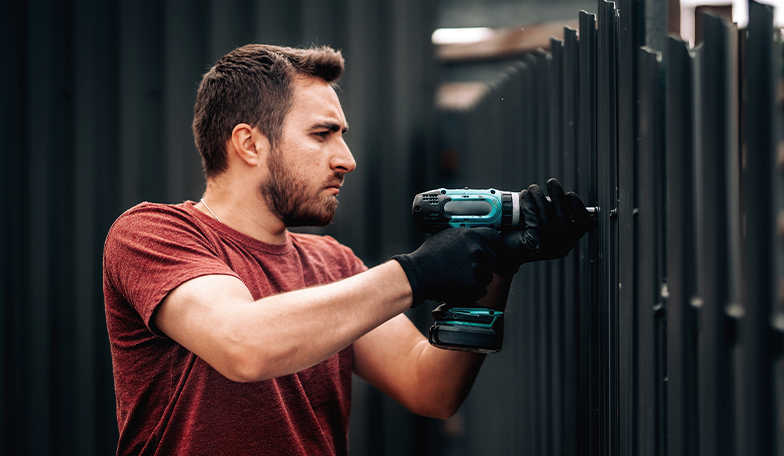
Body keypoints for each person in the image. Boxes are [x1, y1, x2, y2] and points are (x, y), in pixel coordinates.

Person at [103, 44, 595, 455]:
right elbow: (244, 345)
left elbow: (431, 387)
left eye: (343, 136)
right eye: (323, 135)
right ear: (249, 145)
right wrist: (416, 273)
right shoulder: (153, 234)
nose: (348, 160)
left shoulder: (332, 264)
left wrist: (497, 267)